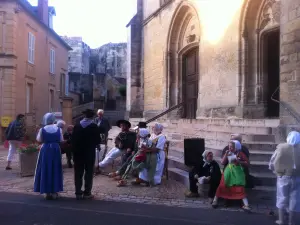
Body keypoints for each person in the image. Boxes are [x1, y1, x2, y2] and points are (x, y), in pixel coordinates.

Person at [269, 131, 300, 225]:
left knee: (282, 197)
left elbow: (273, 161)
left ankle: (281, 220)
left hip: (283, 175)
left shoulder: (281, 147)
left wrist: (273, 170)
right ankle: (292, 222)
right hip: (297, 176)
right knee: (295, 199)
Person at [212, 140, 251, 211]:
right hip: (228, 172)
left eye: (232, 147)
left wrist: (239, 162)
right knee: (222, 185)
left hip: (237, 172)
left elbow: (247, 163)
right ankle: (215, 200)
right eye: (229, 146)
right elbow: (222, 162)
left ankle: (246, 205)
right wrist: (225, 155)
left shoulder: (240, 153)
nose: (230, 148)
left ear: (236, 147)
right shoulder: (228, 153)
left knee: (239, 187)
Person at [34, 113, 64, 200]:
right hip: (55, 149)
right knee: (55, 168)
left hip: (46, 149)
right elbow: (61, 140)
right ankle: (55, 191)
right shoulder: (59, 129)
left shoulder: (42, 129)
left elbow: (39, 140)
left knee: (45, 168)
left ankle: (46, 192)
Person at [72, 109, 100, 200]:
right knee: (88, 172)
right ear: (92, 116)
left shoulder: (77, 126)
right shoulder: (94, 126)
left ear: (84, 116)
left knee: (78, 172)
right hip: (89, 152)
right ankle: (87, 192)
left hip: (78, 153)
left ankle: (78, 192)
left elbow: (73, 140)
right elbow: (97, 140)